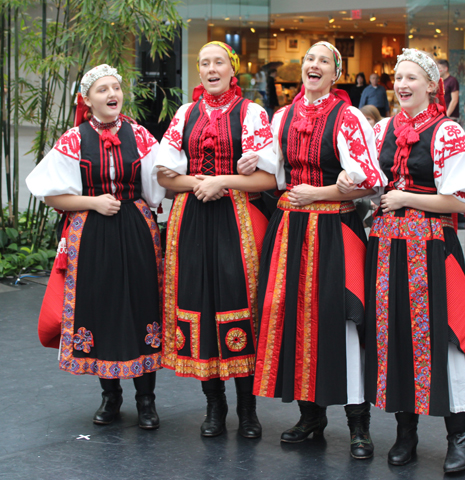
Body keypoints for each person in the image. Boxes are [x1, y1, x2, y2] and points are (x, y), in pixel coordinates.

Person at [339, 48, 465, 474]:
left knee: (447, 339)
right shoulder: (383, 129)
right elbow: (370, 183)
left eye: (411, 78)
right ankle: (407, 434)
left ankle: (460, 437)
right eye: (397, 78)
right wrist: (352, 181)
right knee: (396, 340)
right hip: (386, 252)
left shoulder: (447, 132)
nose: (402, 85)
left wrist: (406, 197)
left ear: (430, 86)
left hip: (434, 251)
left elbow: (462, 199)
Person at [253, 41, 385, 460]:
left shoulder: (347, 117)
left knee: (340, 320)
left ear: (335, 73)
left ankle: (358, 424)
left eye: (323, 61)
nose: (314, 65)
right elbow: (271, 173)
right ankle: (311, 416)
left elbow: (371, 181)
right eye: (309, 59)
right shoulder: (282, 115)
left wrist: (321, 192)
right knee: (295, 320)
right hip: (291, 228)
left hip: (334, 230)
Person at [25, 64, 166, 429]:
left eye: (115, 87)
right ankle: (111, 396)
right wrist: (93, 202)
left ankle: (147, 401)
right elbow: (49, 193)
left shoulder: (141, 136)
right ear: (87, 100)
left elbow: (155, 189)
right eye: (102, 89)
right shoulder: (73, 139)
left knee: (141, 306)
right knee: (102, 307)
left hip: (136, 230)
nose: (111, 94)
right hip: (92, 233)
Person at [154, 41, 277, 439]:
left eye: (218, 62)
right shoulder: (185, 114)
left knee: (238, 304)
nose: (210, 68)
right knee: (198, 304)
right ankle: (214, 403)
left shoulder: (252, 113)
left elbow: (270, 179)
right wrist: (202, 184)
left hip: (236, 222)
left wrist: (223, 182)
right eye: (204, 62)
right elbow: (163, 175)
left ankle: (247, 407)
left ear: (231, 69)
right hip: (191, 219)